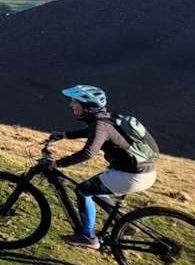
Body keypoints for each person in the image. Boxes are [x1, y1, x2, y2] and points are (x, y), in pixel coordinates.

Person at [47, 84, 157, 249]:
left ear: (87, 106)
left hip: (132, 176)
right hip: (142, 172)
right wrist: (65, 135)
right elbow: (91, 132)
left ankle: (88, 237)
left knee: (83, 191)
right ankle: (126, 224)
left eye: (74, 102)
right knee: (96, 191)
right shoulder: (105, 119)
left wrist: (57, 164)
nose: (71, 105)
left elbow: (88, 153)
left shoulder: (99, 124)